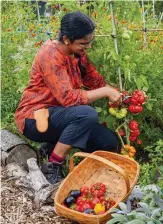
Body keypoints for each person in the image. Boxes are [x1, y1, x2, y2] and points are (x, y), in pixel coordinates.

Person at [15, 11, 122, 185]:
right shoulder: (50, 55)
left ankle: (51, 148)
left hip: (62, 116)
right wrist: (105, 92)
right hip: (35, 118)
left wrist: (118, 93)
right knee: (87, 114)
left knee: (108, 143)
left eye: (89, 42)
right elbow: (69, 98)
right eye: (83, 43)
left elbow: (95, 81)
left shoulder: (78, 54)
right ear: (66, 39)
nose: (87, 47)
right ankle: (53, 166)